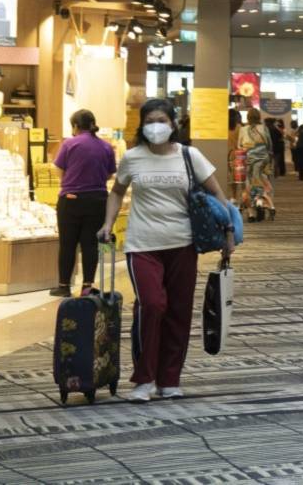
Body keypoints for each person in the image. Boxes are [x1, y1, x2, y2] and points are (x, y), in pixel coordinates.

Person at [96, 98, 231, 402]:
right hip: (142, 244)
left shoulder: (189, 155)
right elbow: (116, 191)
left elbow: (218, 195)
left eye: (162, 120)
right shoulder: (132, 157)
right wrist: (108, 223)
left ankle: (170, 378)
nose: (155, 126)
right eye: (149, 121)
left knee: (178, 312)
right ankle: (144, 378)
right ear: (142, 126)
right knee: (152, 305)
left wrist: (229, 233)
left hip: (182, 244)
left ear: (173, 124)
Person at [50, 109, 117, 297]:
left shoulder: (70, 144)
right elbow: (110, 174)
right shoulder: (106, 146)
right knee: (90, 244)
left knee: (68, 244)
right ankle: (87, 286)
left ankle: (64, 286)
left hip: (71, 200)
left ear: (76, 126)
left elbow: (58, 170)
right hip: (97, 200)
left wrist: (71, 180)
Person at [239, 107, 277, 221]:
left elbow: (239, 146)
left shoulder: (243, 129)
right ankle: (262, 203)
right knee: (262, 183)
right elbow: (269, 144)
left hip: (249, 161)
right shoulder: (264, 128)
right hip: (263, 160)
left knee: (249, 185)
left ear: (248, 117)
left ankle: (251, 213)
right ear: (259, 117)